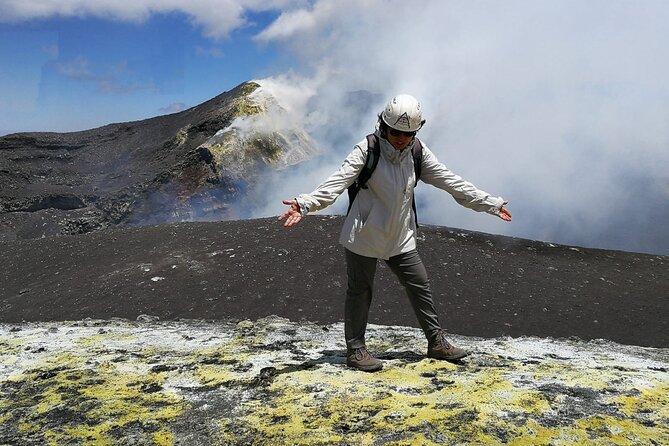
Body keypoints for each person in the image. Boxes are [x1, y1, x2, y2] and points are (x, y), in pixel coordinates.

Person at [279, 94, 512, 372]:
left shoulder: (417, 153)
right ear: (383, 126)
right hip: (364, 236)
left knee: (420, 286)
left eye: (408, 134)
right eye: (396, 132)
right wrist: (304, 204)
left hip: (401, 237)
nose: (401, 139)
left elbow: (451, 182)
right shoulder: (367, 150)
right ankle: (355, 351)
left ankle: (436, 343)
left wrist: (490, 203)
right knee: (360, 292)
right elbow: (336, 183)